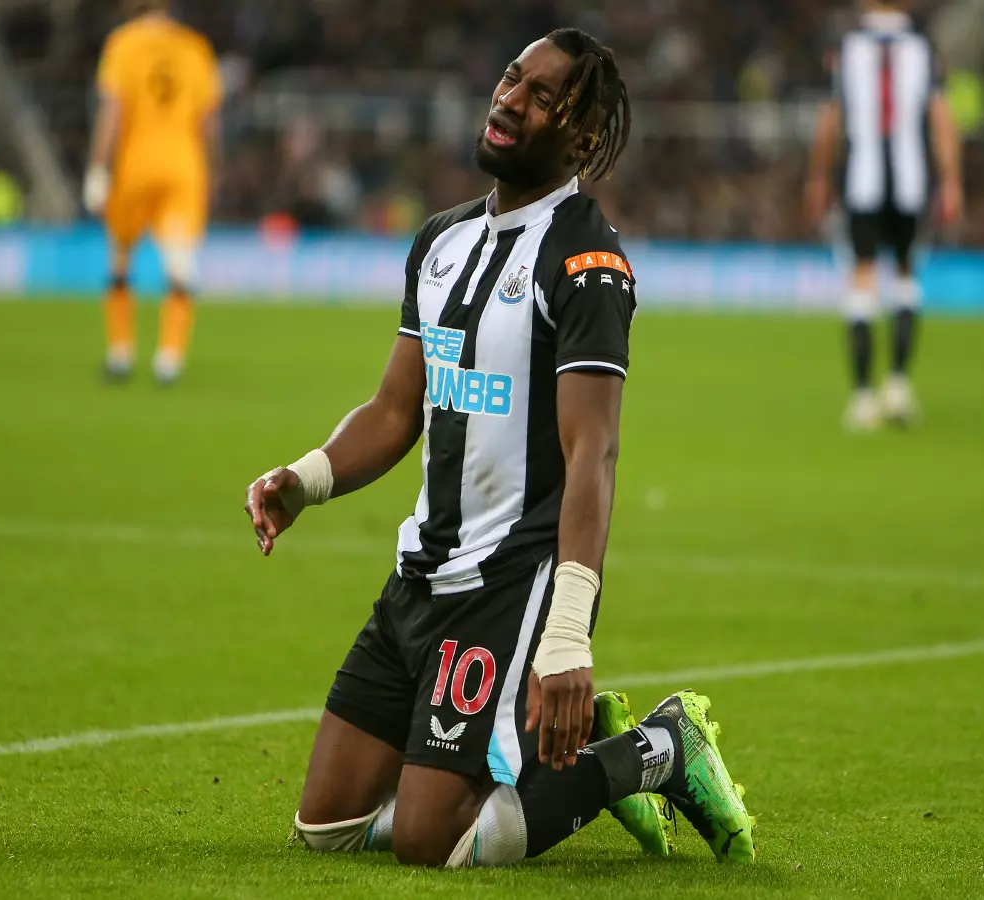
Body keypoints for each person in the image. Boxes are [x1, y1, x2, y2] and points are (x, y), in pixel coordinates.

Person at [244, 29, 755, 869]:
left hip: (509, 583)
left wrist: (568, 635)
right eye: (512, 78)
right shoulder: (442, 241)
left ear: (582, 137)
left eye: (543, 96)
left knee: (428, 841)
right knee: (324, 830)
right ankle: (530, 758)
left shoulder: (587, 262)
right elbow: (394, 408)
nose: (511, 99)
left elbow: (593, 452)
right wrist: (303, 480)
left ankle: (659, 749)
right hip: (419, 578)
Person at [806, 0, 963, 431]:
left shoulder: (847, 46)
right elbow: (941, 116)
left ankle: (862, 397)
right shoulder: (924, 48)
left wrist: (819, 176)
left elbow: (830, 117)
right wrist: (950, 179)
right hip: (912, 184)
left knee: (862, 277)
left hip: (862, 181)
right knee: (907, 275)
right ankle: (897, 386)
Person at [82, 0, 221, 384]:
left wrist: (98, 167)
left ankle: (120, 354)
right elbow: (208, 121)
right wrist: (214, 170)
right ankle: (169, 359)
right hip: (183, 167)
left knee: (120, 259)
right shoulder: (195, 47)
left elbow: (113, 111)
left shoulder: (123, 44)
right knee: (178, 265)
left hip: (134, 166)